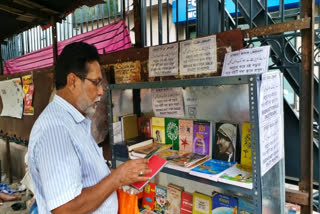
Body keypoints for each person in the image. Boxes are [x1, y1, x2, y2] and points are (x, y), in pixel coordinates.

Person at [27, 42, 151, 214]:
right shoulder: (55, 130)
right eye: (96, 82)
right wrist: (117, 178)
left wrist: (124, 175)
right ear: (72, 81)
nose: (101, 91)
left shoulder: (74, 120)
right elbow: (65, 209)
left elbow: (87, 173)